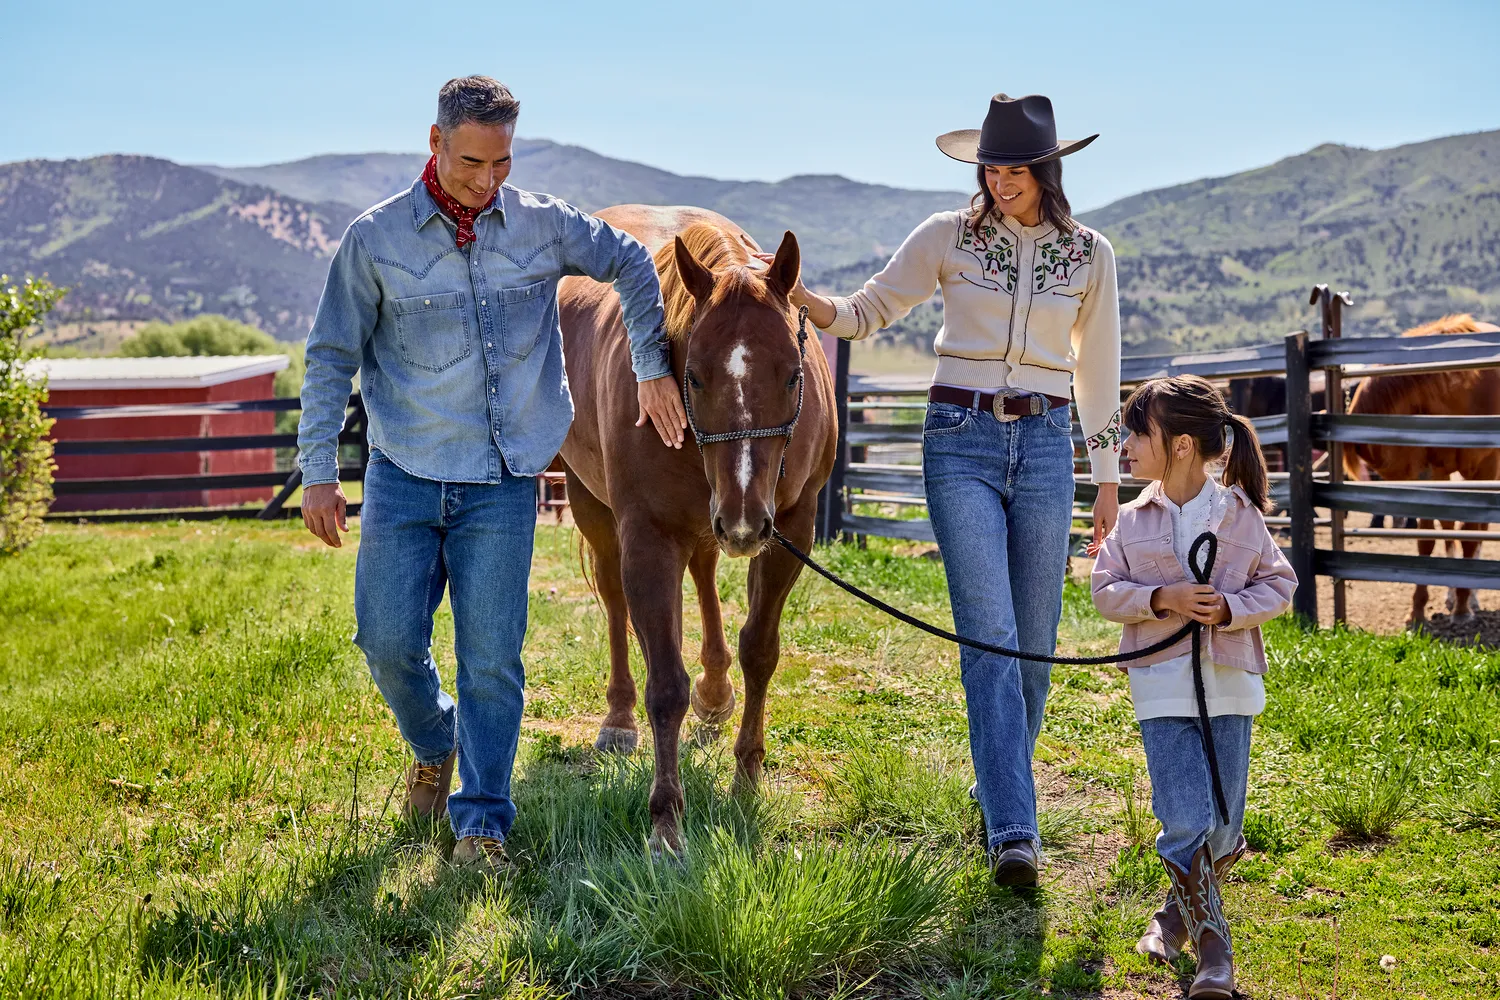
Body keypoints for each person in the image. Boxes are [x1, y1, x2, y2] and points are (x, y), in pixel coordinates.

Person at [296, 75, 686, 872]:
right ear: (434, 143)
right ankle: (434, 742)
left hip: (504, 479)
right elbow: (332, 355)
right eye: (472, 161)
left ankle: (482, 824)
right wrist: (317, 469)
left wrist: (651, 366)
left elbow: (635, 264)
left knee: (492, 659)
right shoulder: (374, 241)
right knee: (386, 640)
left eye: (501, 162)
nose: (486, 179)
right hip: (405, 472)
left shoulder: (543, 226)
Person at [772, 94, 1120, 886]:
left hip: (1044, 446)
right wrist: (800, 299)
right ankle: (1014, 832)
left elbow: (1098, 371)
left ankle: (1000, 782)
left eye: (1015, 169)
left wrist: (1106, 480)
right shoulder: (945, 236)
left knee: (1034, 647)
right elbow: (866, 312)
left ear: (1046, 167)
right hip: (957, 441)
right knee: (991, 637)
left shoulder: (1089, 254)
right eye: (989, 167)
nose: (1001, 181)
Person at [1091, 375, 1296, 999]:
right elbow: (1104, 588)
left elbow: (1279, 584)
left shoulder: (1239, 516)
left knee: (1225, 827)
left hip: (1229, 683)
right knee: (1184, 816)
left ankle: (1170, 918)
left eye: (1137, 433)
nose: (1124, 444)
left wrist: (1231, 609)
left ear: (1181, 445)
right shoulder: (1129, 520)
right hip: (1160, 685)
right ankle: (1215, 951)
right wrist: (1162, 598)